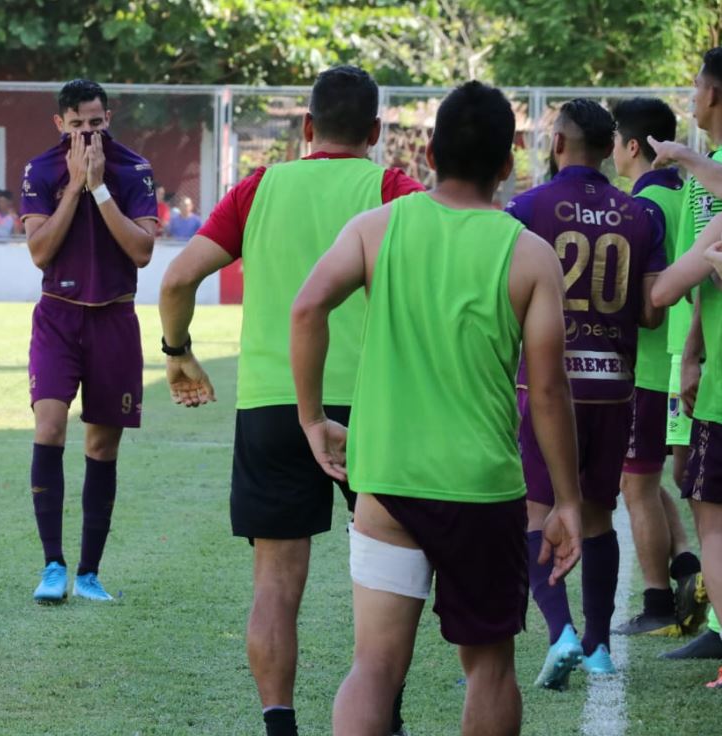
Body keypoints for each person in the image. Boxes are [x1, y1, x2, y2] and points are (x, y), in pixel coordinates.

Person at [291, 80, 583, 736]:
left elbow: (307, 307)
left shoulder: (376, 229)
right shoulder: (528, 254)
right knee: (490, 671)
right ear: (510, 164)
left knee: (374, 667)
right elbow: (550, 391)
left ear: (427, 151)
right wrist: (565, 499)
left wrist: (312, 418)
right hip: (481, 490)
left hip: (387, 481)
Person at [159, 65, 423, 736]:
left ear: (306, 129)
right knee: (388, 577)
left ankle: (280, 727)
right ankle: (380, 715)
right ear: (375, 132)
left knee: (275, 584)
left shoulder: (260, 187)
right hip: (374, 408)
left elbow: (179, 276)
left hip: (275, 406)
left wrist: (178, 351)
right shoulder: (393, 189)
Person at [505, 99, 665, 688]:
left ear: (559, 144)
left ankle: (561, 633)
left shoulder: (526, 208)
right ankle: (598, 646)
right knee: (598, 515)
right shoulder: (641, 214)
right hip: (614, 389)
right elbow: (650, 313)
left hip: (546, 386)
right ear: (609, 148)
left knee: (534, 511)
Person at [21, 78, 157, 605]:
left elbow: (142, 251)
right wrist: (74, 186)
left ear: (109, 118)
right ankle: (52, 565)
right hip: (57, 318)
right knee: (49, 425)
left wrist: (99, 188)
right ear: (60, 124)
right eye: (77, 125)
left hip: (114, 319)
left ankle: (89, 573)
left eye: (96, 123)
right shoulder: (40, 169)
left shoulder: (134, 169)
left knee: (102, 444)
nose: (87, 133)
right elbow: (39, 251)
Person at [609, 98, 705, 638]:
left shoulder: (642, 202)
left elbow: (646, 299)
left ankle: (657, 602)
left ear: (631, 146)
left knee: (636, 483)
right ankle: (687, 563)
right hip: (673, 356)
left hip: (651, 363)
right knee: (660, 477)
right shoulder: (682, 190)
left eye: (618, 142)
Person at [650, 46, 722, 687]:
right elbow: (703, 278)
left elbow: (684, 277)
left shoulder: (709, 171)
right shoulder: (710, 172)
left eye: (697, 86)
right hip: (706, 360)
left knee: (707, 505)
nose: (691, 96)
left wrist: (682, 156)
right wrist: (694, 350)